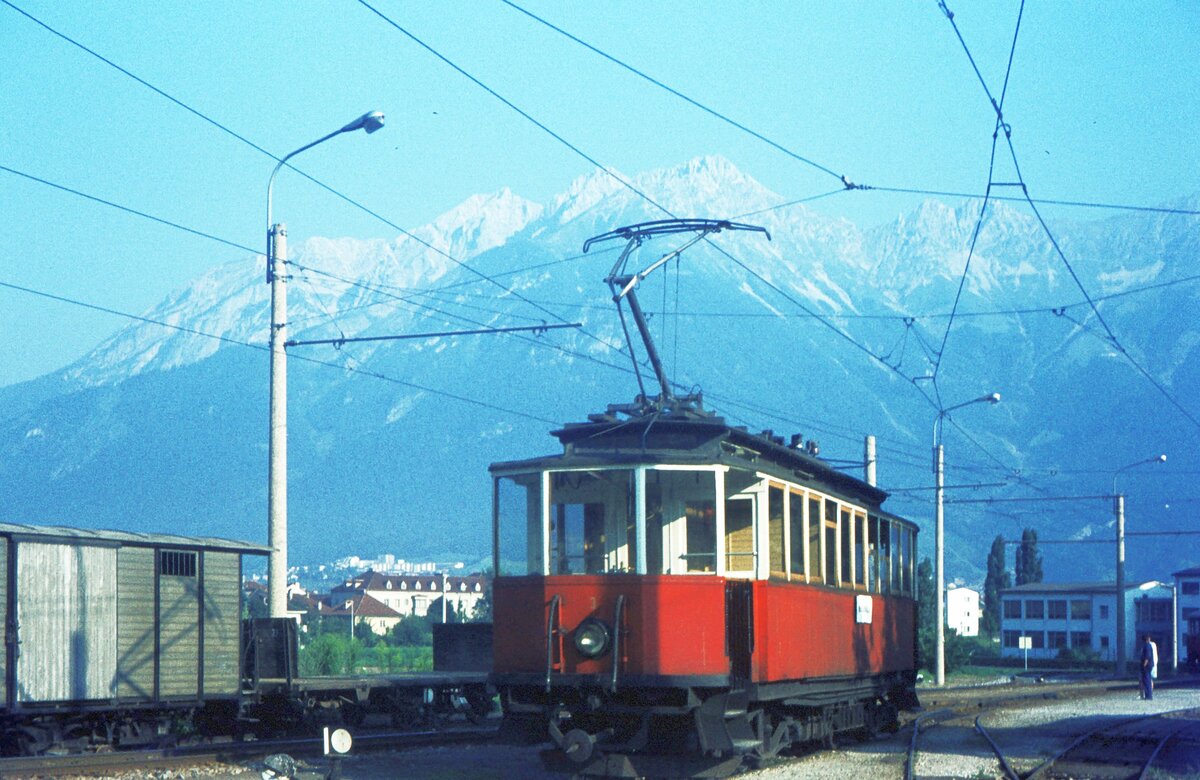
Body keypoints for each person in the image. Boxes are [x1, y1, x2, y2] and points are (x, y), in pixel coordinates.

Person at [1139, 634, 1158, 700]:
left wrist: (1144, 664)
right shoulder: (1149, 645)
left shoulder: (1146, 646)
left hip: (1147, 666)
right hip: (1149, 665)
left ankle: (1148, 696)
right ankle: (1148, 695)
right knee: (1147, 680)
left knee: (1147, 680)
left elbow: (1147, 656)